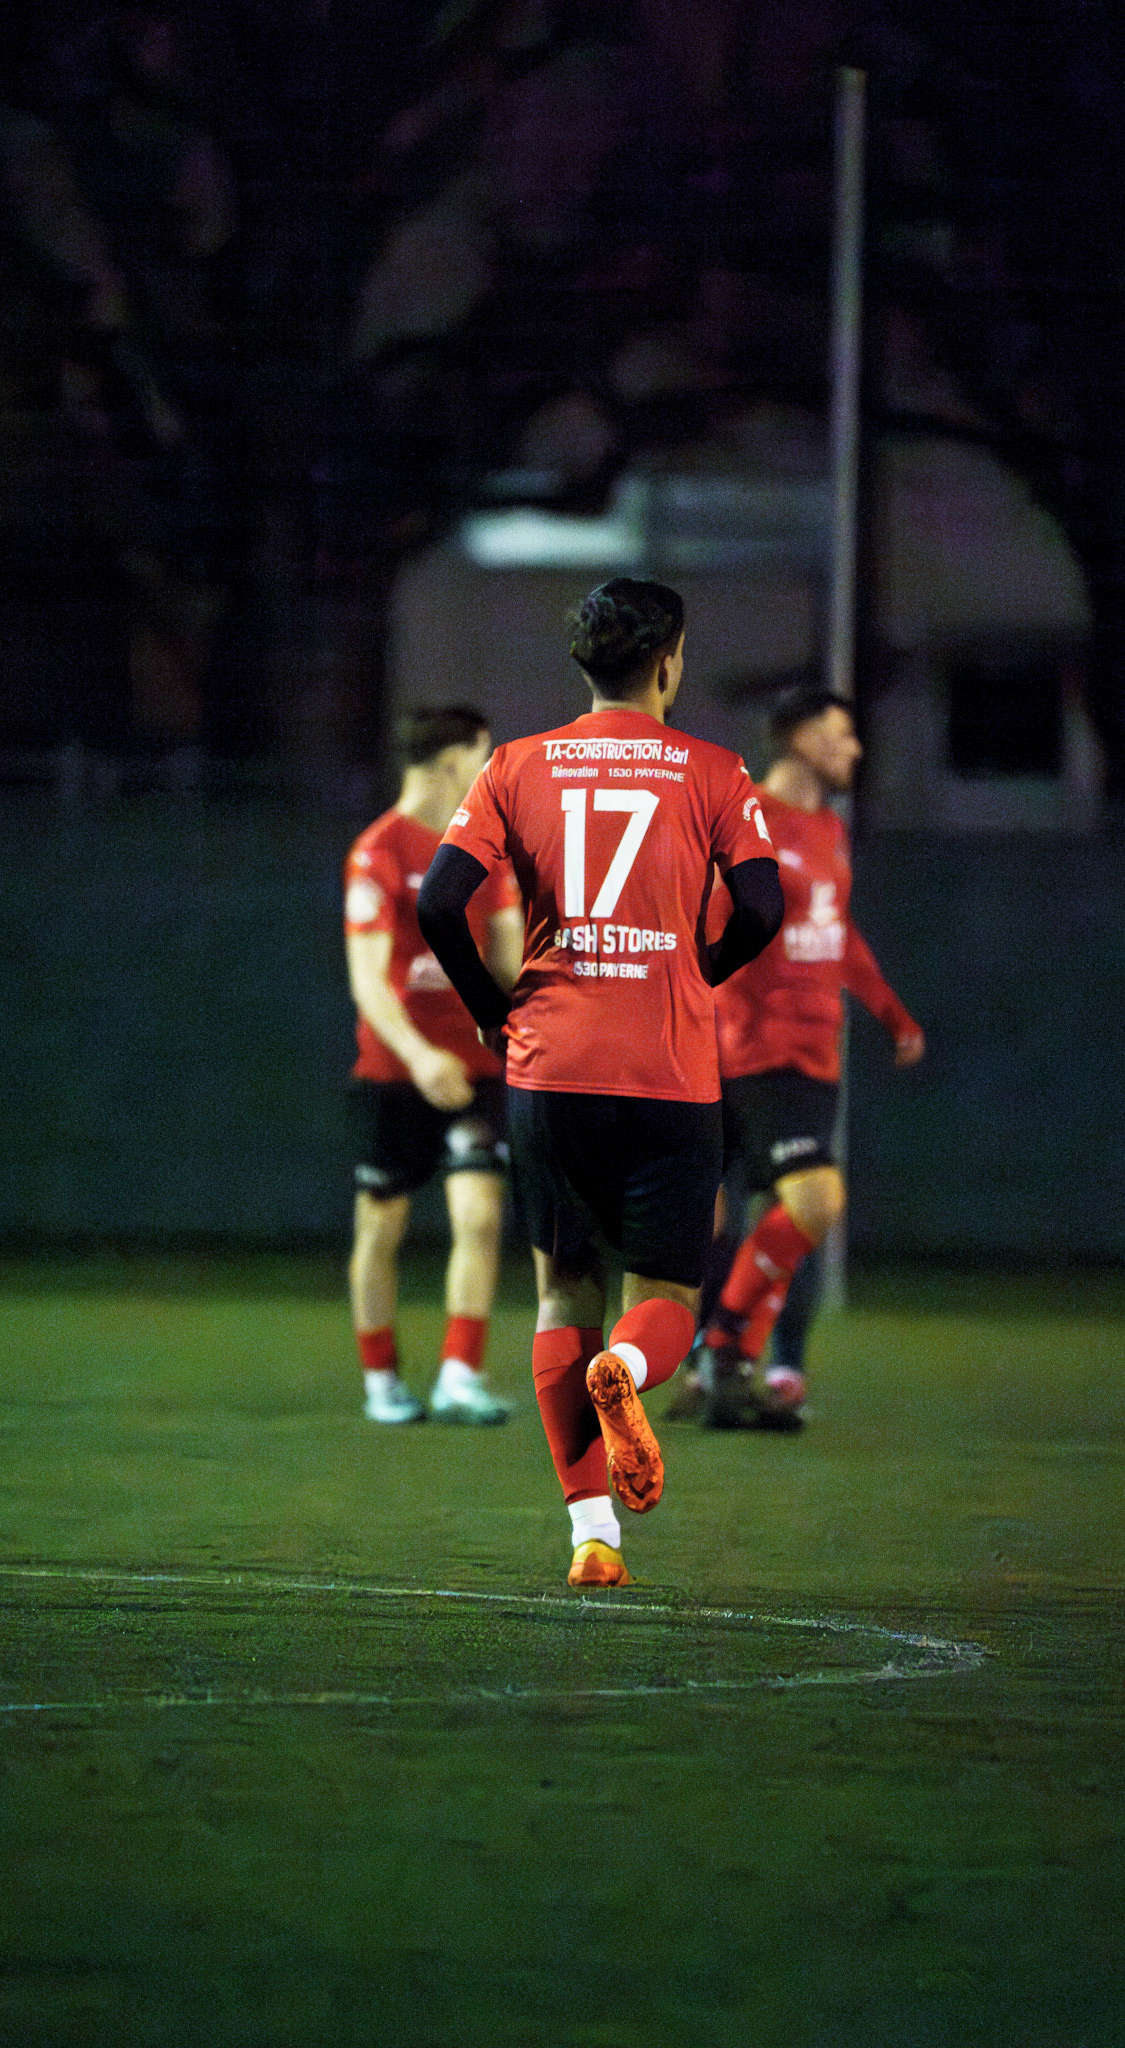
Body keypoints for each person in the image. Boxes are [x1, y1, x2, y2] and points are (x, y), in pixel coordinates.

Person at [417, 579, 783, 1586]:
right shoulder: (713, 770)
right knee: (663, 1293)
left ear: (586, 664)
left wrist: (496, 1011)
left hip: (552, 1066)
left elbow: (440, 900)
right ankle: (628, 1368)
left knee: (559, 1291)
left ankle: (593, 1536)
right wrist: (696, 968)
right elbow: (762, 903)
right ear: (668, 659)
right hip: (667, 1069)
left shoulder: (514, 765)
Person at [670, 680, 924, 1430]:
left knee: (799, 1209)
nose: (853, 748)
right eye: (841, 734)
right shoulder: (740, 815)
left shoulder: (827, 831)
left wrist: (891, 1015)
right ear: (803, 739)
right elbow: (702, 932)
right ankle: (708, 1357)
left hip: (810, 1058)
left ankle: (743, 1360)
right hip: (741, 1053)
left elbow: (834, 933)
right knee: (721, 1218)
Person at [344, 704, 523, 1424]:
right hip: (396, 1075)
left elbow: (511, 963)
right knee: (380, 1227)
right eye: (483, 755)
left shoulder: (489, 853)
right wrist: (418, 1057)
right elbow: (367, 981)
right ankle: (382, 1381)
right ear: (453, 761)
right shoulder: (377, 852)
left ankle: (458, 1375)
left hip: (476, 1070)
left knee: (479, 1215)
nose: (490, 771)